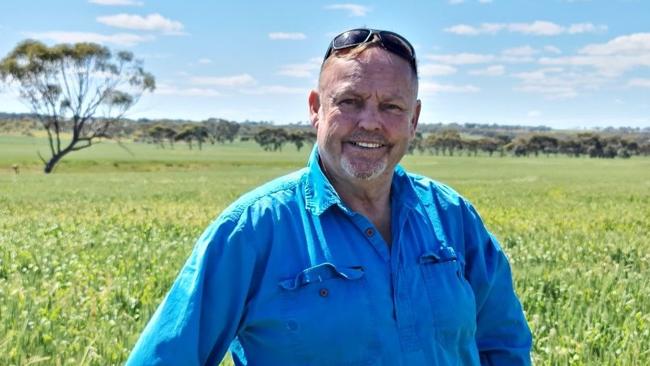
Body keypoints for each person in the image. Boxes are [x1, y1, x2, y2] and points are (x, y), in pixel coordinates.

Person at [127, 28, 532, 365]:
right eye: (350, 102)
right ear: (316, 108)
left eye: (391, 106)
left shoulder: (452, 218)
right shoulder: (252, 230)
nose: (369, 122)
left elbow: (504, 344)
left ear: (414, 119)